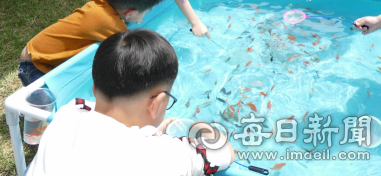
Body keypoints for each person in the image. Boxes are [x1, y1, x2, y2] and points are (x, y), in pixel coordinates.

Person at [25, 28, 235, 175]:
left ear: (94, 88)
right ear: (157, 103)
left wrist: (155, 129)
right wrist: (193, 126)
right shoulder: (160, 158)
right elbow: (224, 151)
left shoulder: (68, 113)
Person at [18, 0, 164, 85]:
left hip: (34, 53)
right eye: (146, 11)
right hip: (35, 65)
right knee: (44, 106)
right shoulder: (111, 25)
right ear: (130, 13)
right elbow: (131, 50)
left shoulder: (99, 5)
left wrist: (128, 19)